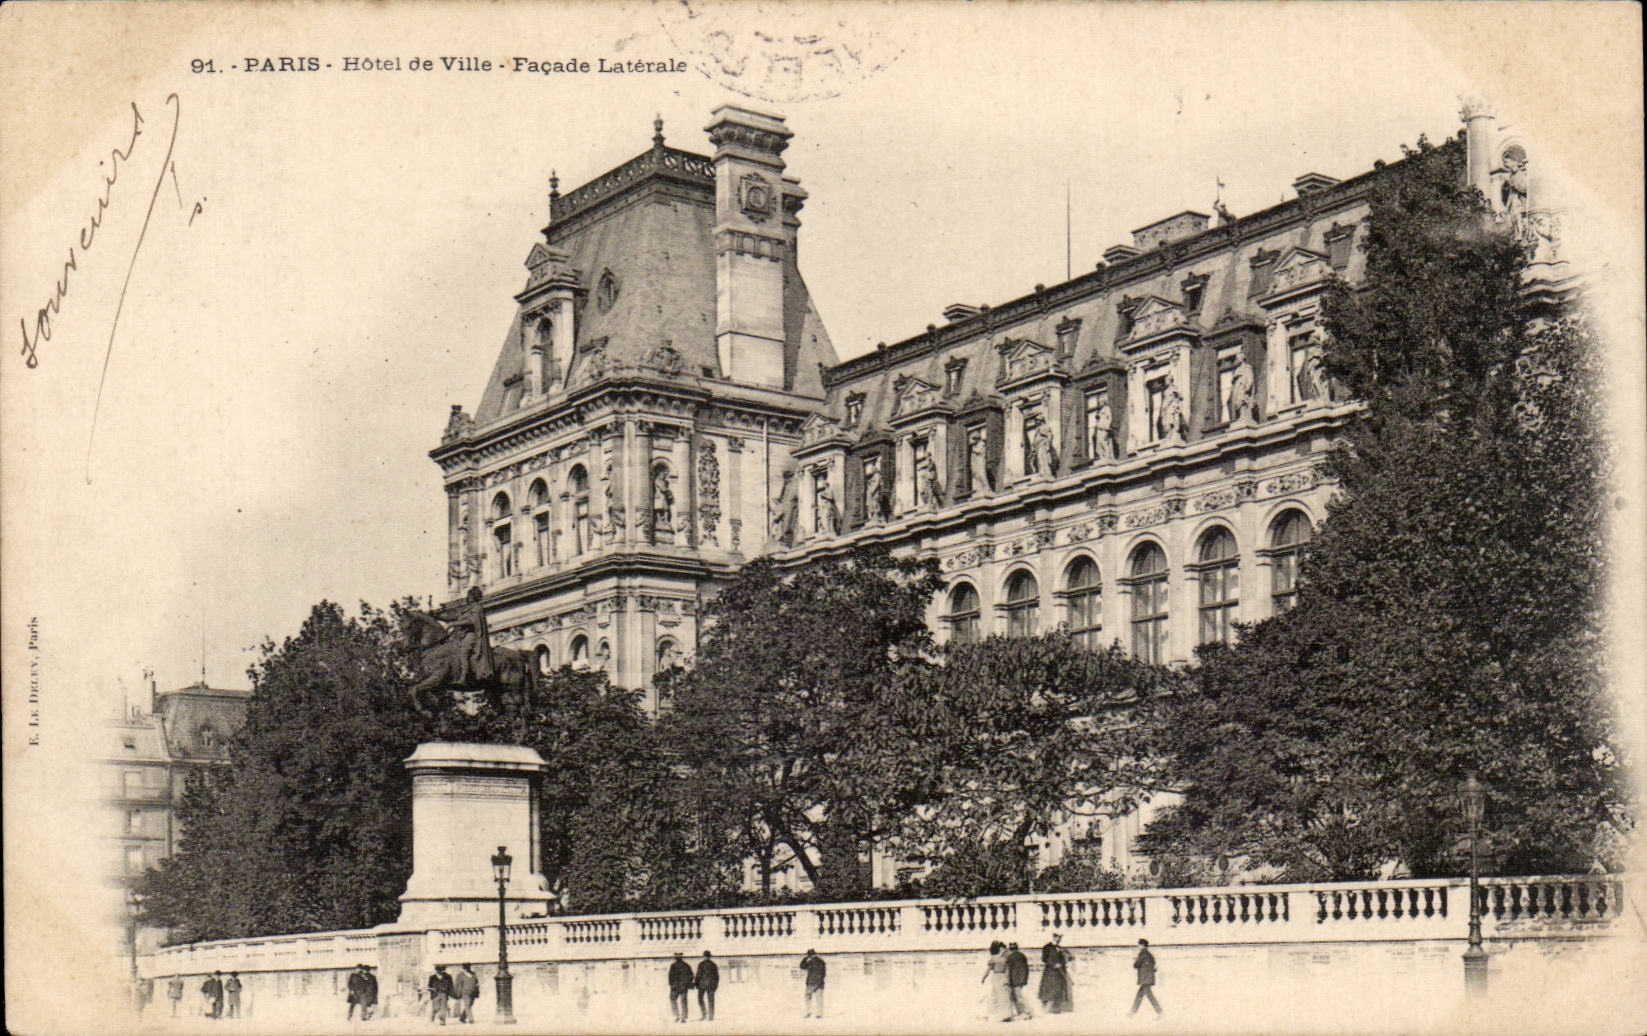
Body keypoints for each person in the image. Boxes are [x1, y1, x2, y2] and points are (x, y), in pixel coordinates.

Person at [1038, 933, 1074, 1014]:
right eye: (1058, 937)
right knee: (1049, 990)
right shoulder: (1047, 947)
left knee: (1059, 990)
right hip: (1050, 972)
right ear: (1054, 937)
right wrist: (1054, 965)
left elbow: (1064, 958)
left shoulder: (1060, 948)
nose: (1059, 939)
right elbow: (1044, 959)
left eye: (1060, 937)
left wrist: (1065, 961)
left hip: (1059, 972)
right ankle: (1045, 1009)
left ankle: (1056, 1009)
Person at [980, 941, 1012, 1022]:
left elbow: (988, 970)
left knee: (995, 994)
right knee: (1003, 995)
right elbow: (1008, 970)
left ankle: (992, 1013)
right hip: (1002, 976)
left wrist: (984, 977)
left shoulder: (993, 959)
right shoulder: (1005, 959)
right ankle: (1006, 1014)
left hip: (996, 976)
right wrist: (1007, 978)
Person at [1130, 939, 1162, 1017]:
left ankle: (1160, 1012)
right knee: (1140, 995)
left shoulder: (1142, 954)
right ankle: (1132, 1012)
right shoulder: (1149, 955)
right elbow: (1153, 965)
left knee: (1148, 995)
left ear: (1142, 945)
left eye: (1139, 945)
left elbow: (1136, 965)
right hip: (1148, 978)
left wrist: (1136, 960)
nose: (1138, 946)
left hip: (1145, 979)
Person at [1005, 942, 1033, 1019]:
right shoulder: (1022, 955)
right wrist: (1025, 979)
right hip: (1020, 979)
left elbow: (1009, 969)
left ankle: (1028, 1011)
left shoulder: (1010, 957)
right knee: (1017, 996)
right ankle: (1022, 1012)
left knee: (1018, 997)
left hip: (1014, 980)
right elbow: (1026, 968)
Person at [799, 949, 826, 1019]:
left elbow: (802, 966)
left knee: (808, 997)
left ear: (809, 955)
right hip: (820, 983)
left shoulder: (810, 962)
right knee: (819, 999)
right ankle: (819, 1014)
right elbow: (824, 974)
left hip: (811, 983)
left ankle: (808, 1012)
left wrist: (805, 958)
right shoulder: (821, 962)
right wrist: (820, 981)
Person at [668, 952, 694, 1023]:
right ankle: (683, 1017)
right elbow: (691, 976)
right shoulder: (686, 965)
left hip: (675, 987)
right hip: (683, 986)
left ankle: (677, 1016)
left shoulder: (673, 966)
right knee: (683, 1002)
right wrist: (688, 983)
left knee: (673, 1000)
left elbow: (670, 977)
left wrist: (671, 984)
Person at [695, 950, 720, 1022]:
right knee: (711, 1001)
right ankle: (711, 1016)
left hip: (702, 985)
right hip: (711, 985)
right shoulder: (713, 965)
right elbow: (717, 977)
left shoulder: (701, 964)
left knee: (700, 999)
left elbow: (698, 975)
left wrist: (696, 984)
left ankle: (704, 1014)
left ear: (704, 956)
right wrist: (715, 985)